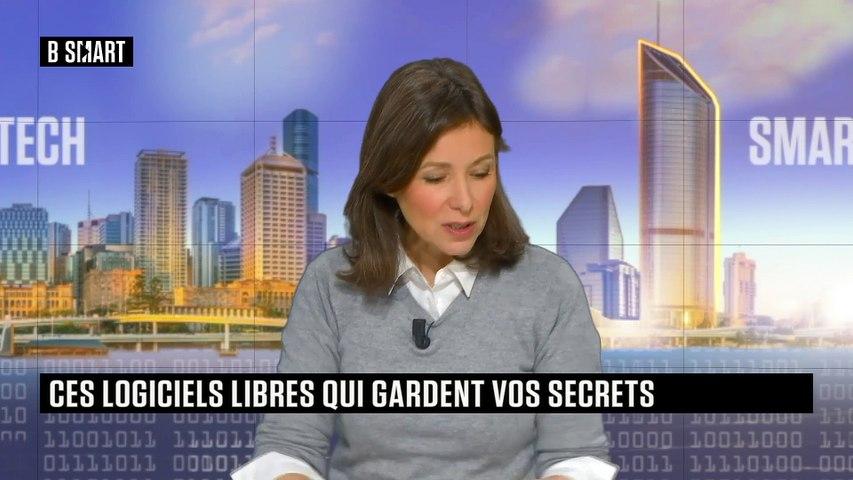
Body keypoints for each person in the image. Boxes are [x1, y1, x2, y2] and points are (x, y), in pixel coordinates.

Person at [231, 58, 619, 480]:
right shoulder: (328, 284)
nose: (465, 202)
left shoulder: (550, 286)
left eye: (481, 172)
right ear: (389, 180)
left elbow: (575, 455)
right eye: (436, 178)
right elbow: (288, 446)